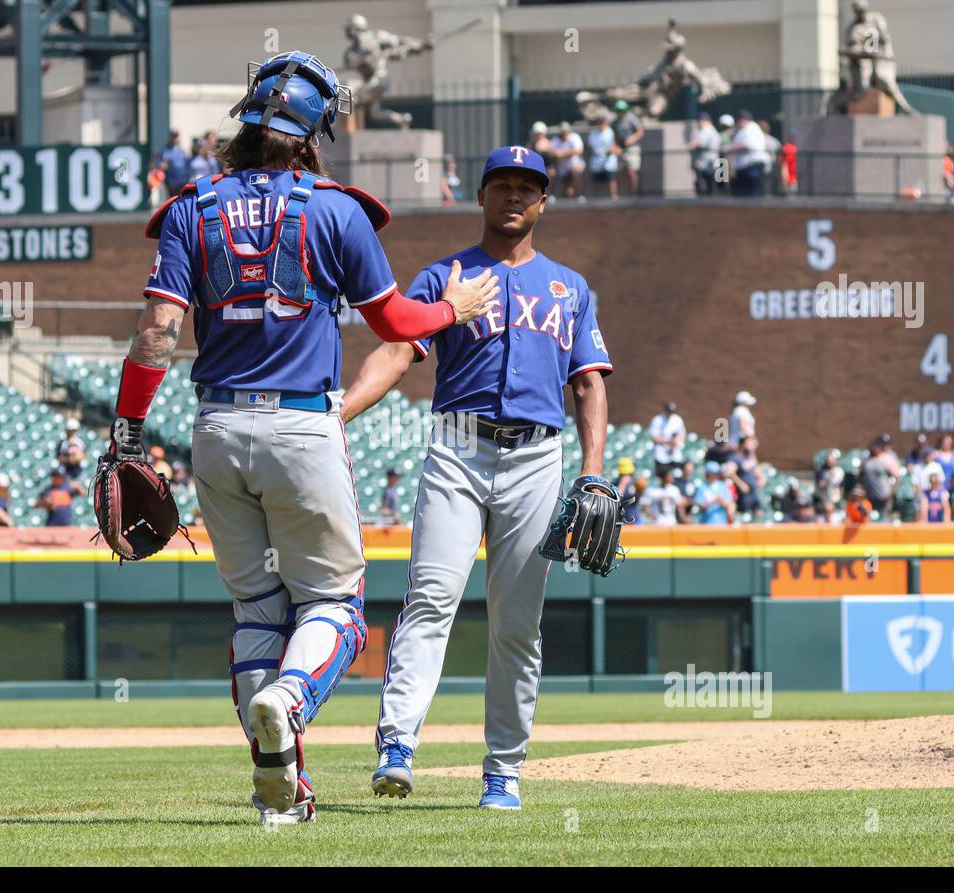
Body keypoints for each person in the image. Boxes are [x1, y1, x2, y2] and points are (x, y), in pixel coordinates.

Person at [120, 51, 497, 827]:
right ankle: (289, 702)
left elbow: (158, 330)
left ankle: (285, 792)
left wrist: (128, 434)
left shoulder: (191, 206)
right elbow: (396, 325)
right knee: (336, 604)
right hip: (301, 425)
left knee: (259, 610)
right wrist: (452, 308)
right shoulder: (338, 210)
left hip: (216, 427)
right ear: (315, 129)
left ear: (247, 120)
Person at [341, 144, 612, 812]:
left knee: (517, 623)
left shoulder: (570, 288)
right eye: (503, 185)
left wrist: (596, 474)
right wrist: (337, 414)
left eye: (528, 187)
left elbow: (590, 385)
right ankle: (397, 748)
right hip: (458, 449)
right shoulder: (446, 276)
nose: (514, 195)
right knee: (431, 598)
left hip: (536, 459)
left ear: (544, 202)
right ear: (482, 196)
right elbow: (400, 347)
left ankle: (503, 771)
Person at [726, 110, 769, 197]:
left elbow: (746, 145)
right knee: (743, 193)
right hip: (746, 166)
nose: (739, 122)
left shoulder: (751, 128)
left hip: (753, 165)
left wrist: (729, 147)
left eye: (741, 119)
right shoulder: (744, 129)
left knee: (752, 193)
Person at [859, 433, 901, 514]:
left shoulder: (887, 458)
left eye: (877, 445)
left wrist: (890, 495)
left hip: (883, 498)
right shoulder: (866, 460)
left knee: (883, 522)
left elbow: (897, 478)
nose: (875, 447)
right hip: (869, 497)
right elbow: (860, 477)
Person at [586, 114, 619, 200]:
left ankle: (613, 196)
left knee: (611, 178)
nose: (601, 124)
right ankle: (597, 197)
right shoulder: (593, 133)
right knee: (597, 179)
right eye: (599, 122)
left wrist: (609, 150)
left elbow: (614, 145)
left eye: (602, 122)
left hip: (609, 159)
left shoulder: (610, 132)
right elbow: (591, 146)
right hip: (597, 159)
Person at [648, 400, 685, 477]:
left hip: (675, 455)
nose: (670, 413)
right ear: (665, 410)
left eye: (672, 411)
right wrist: (668, 442)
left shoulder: (677, 419)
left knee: (676, 476)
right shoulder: (657, 420)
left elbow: (682, 434)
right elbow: (654, 438)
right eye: (669, 411)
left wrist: (676, 442)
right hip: (661, 455)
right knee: (662, 477)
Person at [549, 121, 585, 199]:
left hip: (575, 165)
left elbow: (579, 150)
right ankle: (551, 196)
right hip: (562, 167)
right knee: (552, 172)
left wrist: (563, 153)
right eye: (563, 132)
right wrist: (557, 153)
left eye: (566, 131)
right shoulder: (556, 139)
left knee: (576, 170)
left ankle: (580, 195)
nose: (564, 133)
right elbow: (551, 151)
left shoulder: (574, 137)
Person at [614, 101, 643, 195]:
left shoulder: (631, 118)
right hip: (621, 149)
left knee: (631, 170)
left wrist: (631, 139)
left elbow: (640, 132)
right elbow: (615, 135)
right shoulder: (616, 121)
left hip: (632, 148)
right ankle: (624, 192)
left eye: (622, 110)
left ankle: (635, 192)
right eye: (618, 110)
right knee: (621, 171)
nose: (620, 112)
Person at [688, 112, 721, 196]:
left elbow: (697, 143)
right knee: (709, 187)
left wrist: (690, 146)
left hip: (705, 165)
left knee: (703, 188)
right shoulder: (713, 130)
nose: (698, 122)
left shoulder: (706, 130)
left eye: (700, 120)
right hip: (710, 163)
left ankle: (705, 206)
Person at [154, 129, 192, 196]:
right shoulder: (164, 150)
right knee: (173, 202)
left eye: (176, 136)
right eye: (173, 136)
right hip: (172, 183)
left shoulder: (181, 150)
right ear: (169, 137)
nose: (175, 138)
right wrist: (163, 165)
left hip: (184, 181)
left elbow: (187, 165)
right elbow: (158, 165)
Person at [616, 458, 640, 524]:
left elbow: (638, 498)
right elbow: (617, 500)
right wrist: (623, 484)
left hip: (634, 519)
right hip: (620, 521)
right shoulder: (616, 484)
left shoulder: (636, 483)